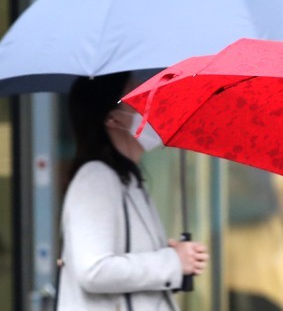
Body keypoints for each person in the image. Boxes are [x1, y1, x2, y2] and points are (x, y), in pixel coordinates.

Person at [57, 72, 209, 311]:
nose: (148, 107)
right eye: (136, 99)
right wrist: (172, 261)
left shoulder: (127, 179)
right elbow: (94, 270)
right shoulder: (96, 178)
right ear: (113, 118)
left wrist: (168, 255)